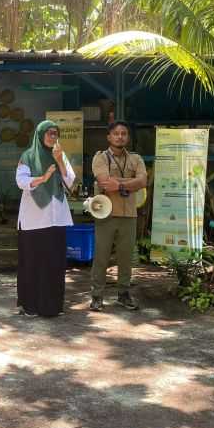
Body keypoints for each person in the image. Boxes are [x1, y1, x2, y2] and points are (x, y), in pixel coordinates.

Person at [15, 120, 75, 317]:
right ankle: (30, 305)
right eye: (49, 133)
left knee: (54, 264)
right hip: (34, 220)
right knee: (33, 263)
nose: (53, 136)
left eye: (56, 133)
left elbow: (70, 181)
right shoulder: (28, 156)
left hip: (56, 218)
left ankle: (53, 306)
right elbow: (21, 182)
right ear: (40, 134)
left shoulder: (60, 154)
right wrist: (42, 178)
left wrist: (59, 162)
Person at [89, 120, 148, 311]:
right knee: (101, 257)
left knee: (125, 257)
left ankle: (123, 294)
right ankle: (97, 296)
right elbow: (105, 182)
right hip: (105, 213)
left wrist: (120, 184)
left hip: (129, 214)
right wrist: (132, 182)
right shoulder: (100, 158)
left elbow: (143, 181)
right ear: (109, 137)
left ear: (127, 137)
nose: (120, 136)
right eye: (116, 133)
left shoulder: (136, 159)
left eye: (124, 133)